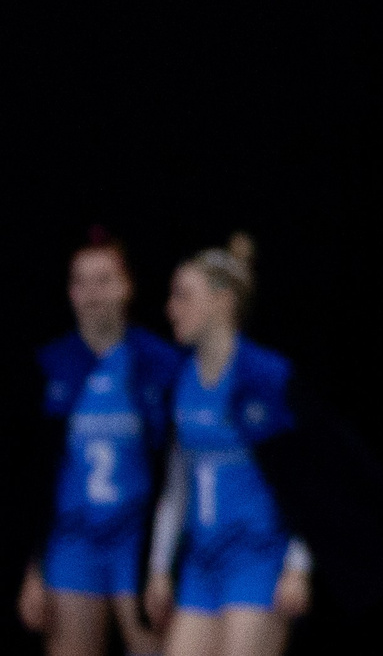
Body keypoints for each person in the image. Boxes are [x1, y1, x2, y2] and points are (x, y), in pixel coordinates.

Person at [18, 234, 185, 656]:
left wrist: (167, 562)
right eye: (81, 282)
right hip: (72, 542)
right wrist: (32, 570)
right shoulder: (50, 366)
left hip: (138, 542)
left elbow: (181, 467)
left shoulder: (159, 364)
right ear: (70, 291)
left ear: (126, 286)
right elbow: (29, 477)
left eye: (104, 280)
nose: (92, 294)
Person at [145, 238, 311, 656]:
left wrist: (298, 566)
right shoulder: (182, 382)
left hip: (257, 560)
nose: (171, 309)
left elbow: (308, 484)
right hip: (202, 564)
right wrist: (160, 569)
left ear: (222, 301)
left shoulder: (266, 376)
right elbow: (177, 486)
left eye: (184, 295)